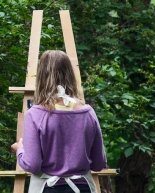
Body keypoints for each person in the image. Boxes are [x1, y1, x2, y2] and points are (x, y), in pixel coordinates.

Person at [10, 50, 107, 193]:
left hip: (48, 188)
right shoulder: (88, 113)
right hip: (83, 188)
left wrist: (19, 150)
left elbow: (32, 164)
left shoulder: (35, 114)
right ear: (70, 75)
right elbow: (99, 163)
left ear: (41, 76)